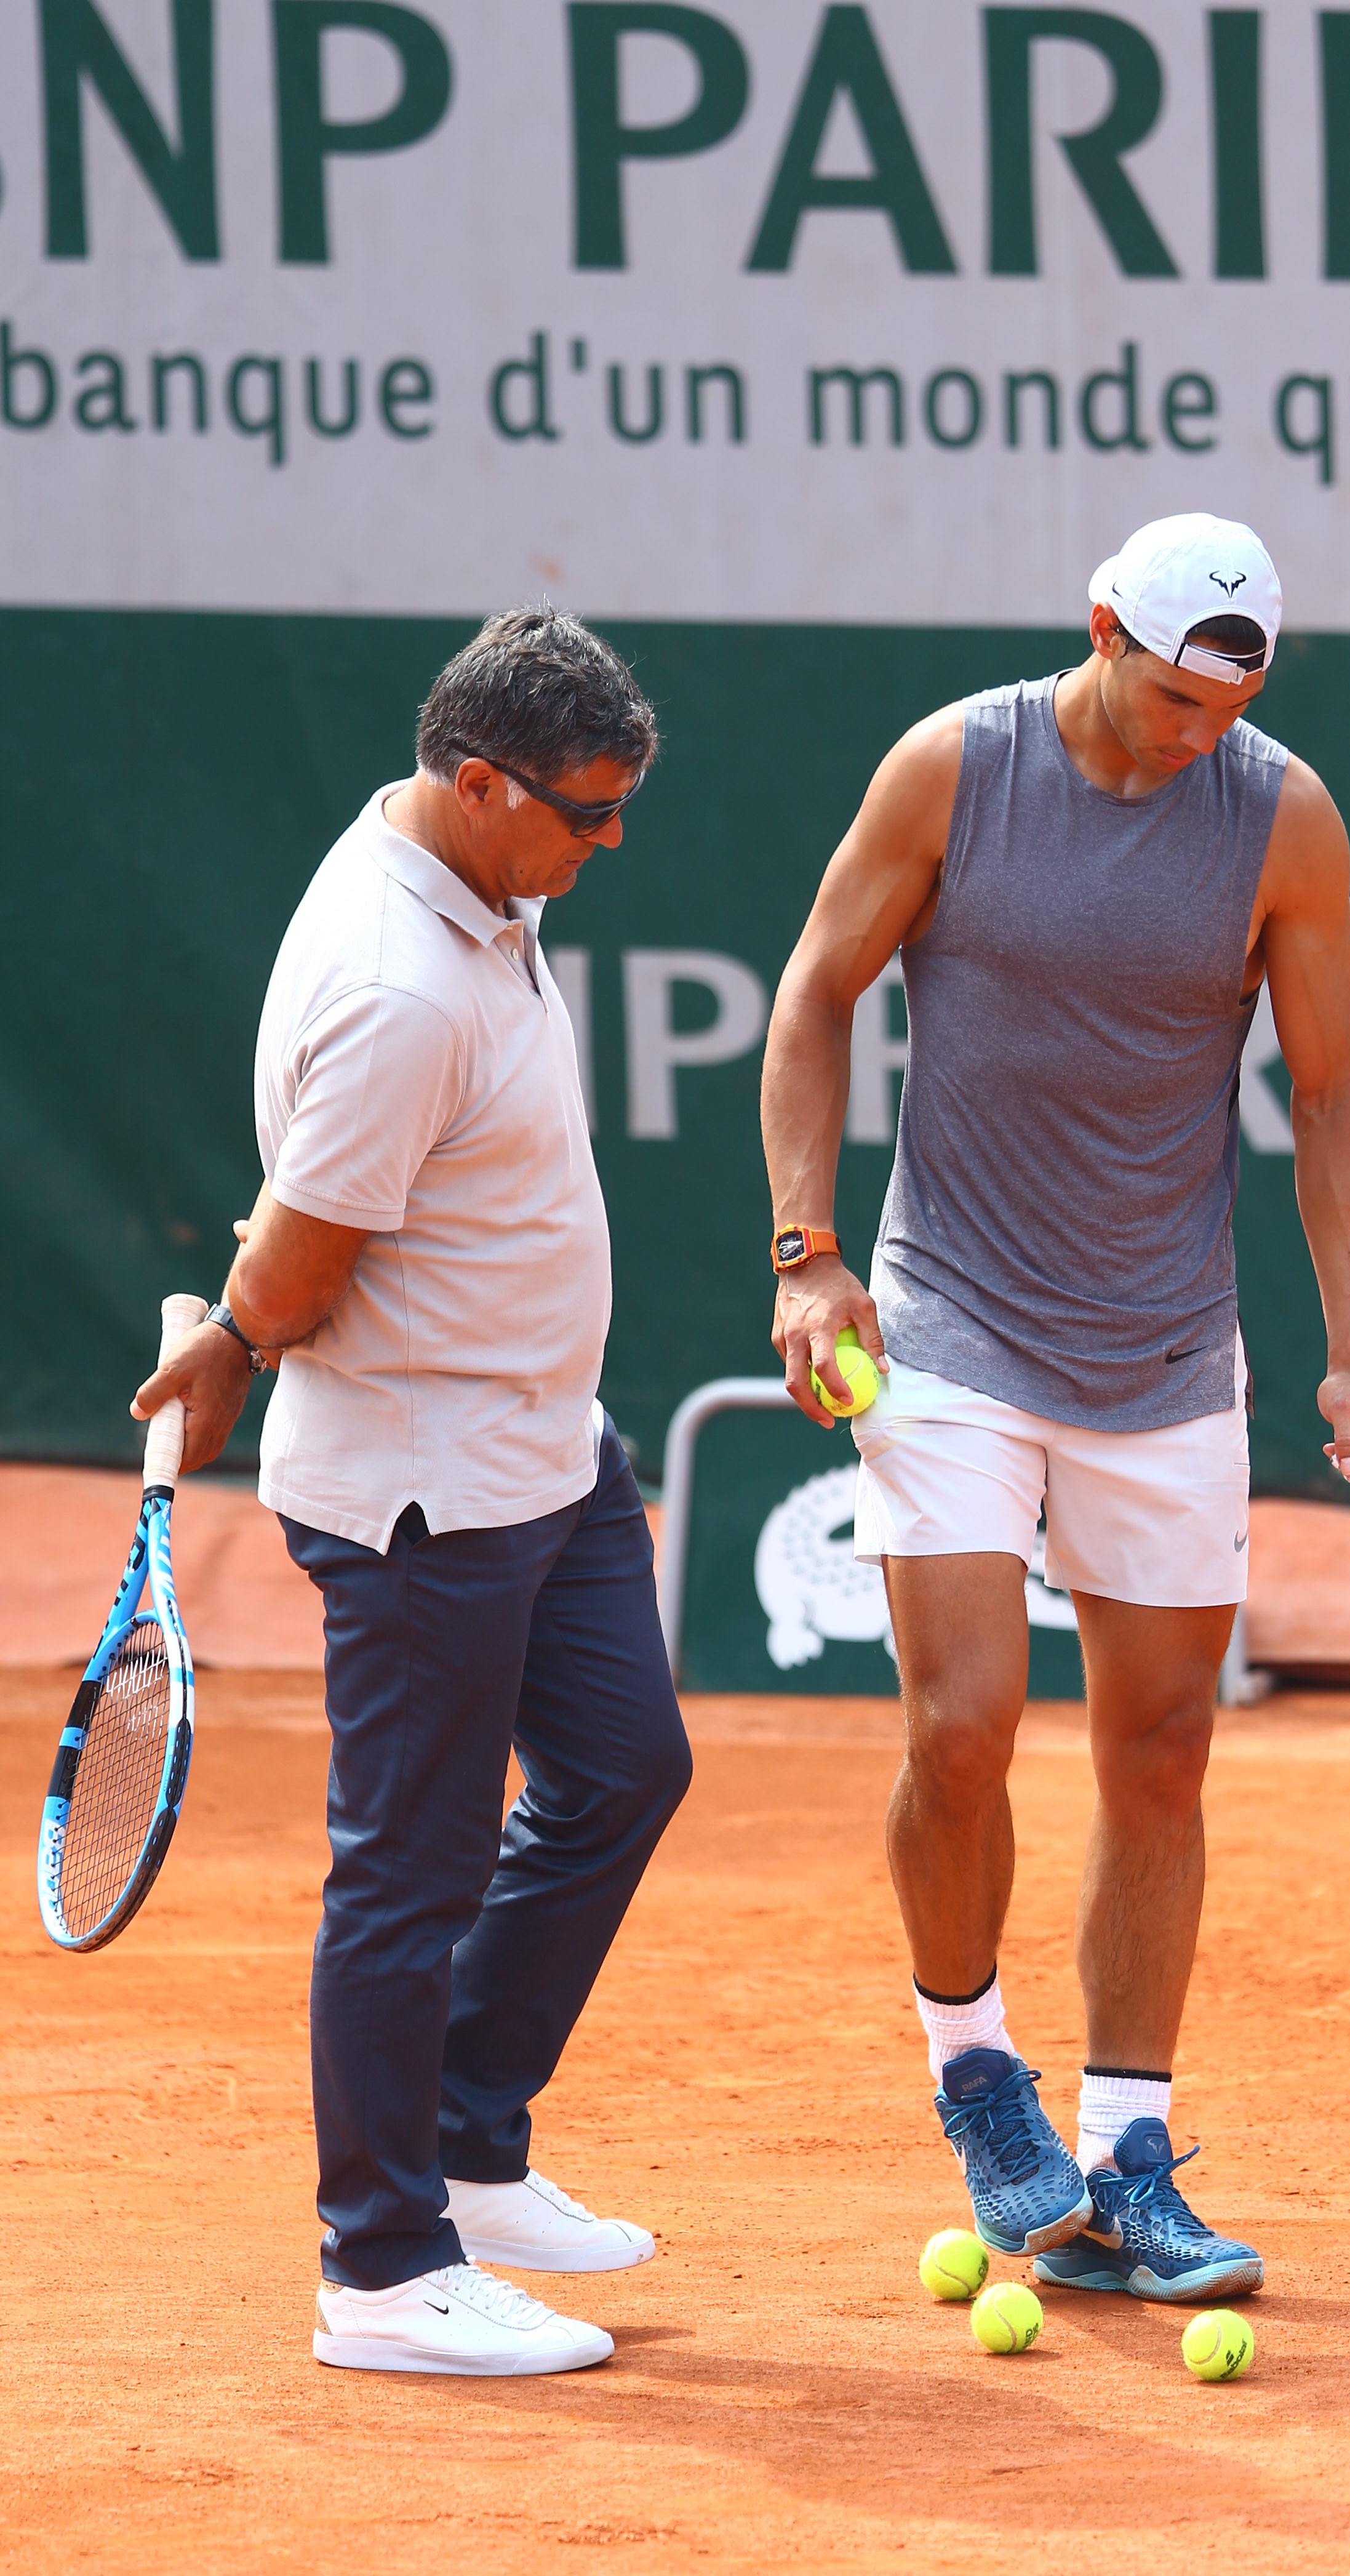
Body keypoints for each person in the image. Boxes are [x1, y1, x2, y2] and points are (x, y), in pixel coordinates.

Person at [761, 514, 1350, 2305]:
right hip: (953, 1320)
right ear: (1104, 625)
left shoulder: (1281, 814)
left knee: (1162, 1751)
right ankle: (976, 2073)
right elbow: (815, 992)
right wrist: (808, 1255)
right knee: (964, 1726)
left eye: (1231, 701)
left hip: (1169, 1349)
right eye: (1171, 688)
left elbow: (1342, 1093)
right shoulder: (954, 770)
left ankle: (1128, 2155)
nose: (1197, 728)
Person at [133, 608, 693, 2376]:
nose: (608, 847)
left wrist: (234, 1328)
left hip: (549, 1450)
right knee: (409, 1876)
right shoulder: (398, 981)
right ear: (478, 783)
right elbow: (300, 1270)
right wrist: (234, 1332)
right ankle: (379, 2265)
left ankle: (467, 2134)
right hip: (426, 1494)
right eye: (588, 814)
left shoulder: (475, 879)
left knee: (623, 1769)